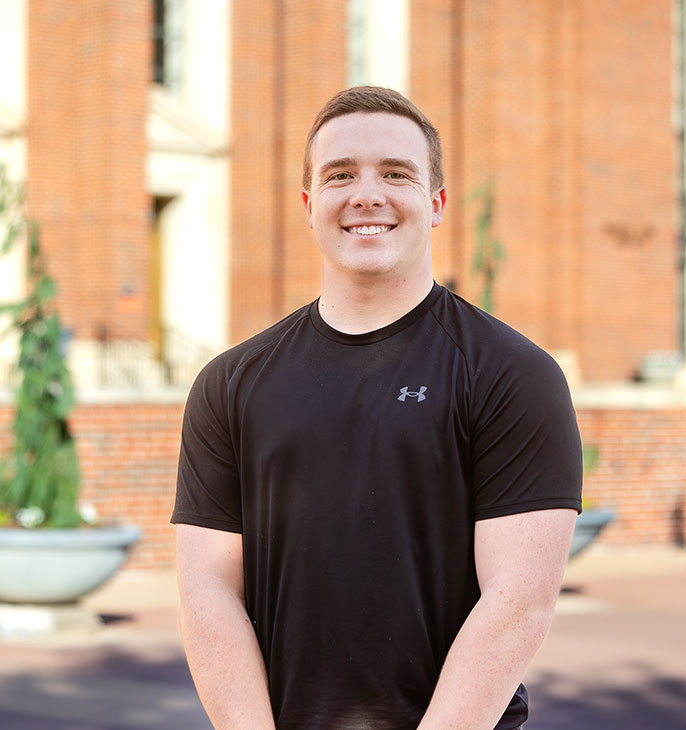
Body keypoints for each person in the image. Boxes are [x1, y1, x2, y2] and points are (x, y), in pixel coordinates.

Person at [172, 86, 583, 730]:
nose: (368, 194)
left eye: (396, 174)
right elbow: (209, 591)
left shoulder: (513, 374)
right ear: (309, 206)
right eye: (341, 176)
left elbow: (518, 600)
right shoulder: (229, 384)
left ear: (436, 203)